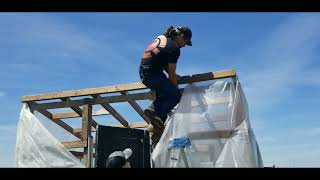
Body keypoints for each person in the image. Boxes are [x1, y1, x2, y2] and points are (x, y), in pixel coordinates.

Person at [139, 26, 192, 142]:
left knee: (166, 93)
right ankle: (153, 110)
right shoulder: (174, 48)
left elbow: (162, 62)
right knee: (175, 95)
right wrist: (175, 90)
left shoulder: (164, 39)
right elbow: (171, 75)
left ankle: (156, 122)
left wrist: (171, 78)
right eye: (186, 43)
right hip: (153, 75)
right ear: (182, 37)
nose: (184, 46)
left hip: (145, 72)